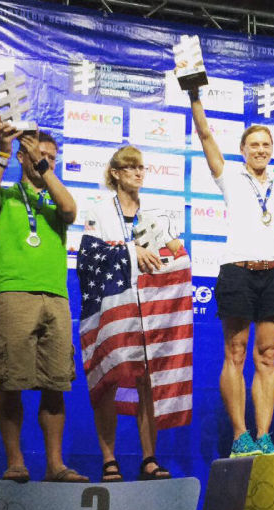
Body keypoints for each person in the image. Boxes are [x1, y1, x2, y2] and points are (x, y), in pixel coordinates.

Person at [0, 117, 88, 483]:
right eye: (40, 155)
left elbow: (71, 211)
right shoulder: (7, 196)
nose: (47, 161)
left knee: (56, 384)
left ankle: (55, 466)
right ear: (23, 157)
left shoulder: (55, 199)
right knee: (11, 382)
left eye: (52, 157)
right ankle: (16, 463)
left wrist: (44, 168)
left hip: (55, 297)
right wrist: (4, 154)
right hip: (12, 294)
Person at [187, 86, 274, 458]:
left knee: (267, 356)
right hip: (237, 272)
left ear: (271, 149)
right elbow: (205, 136)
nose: (260, 150)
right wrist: (195, 98)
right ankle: (240, 436)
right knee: (235, 353)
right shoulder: (229, 176)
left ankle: (264, 436)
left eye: (266, 145)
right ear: (243, 150)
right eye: (254, 145)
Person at [81, 145, 186, 481]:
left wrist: (174, 256)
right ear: (115, 173)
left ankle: (149, 457)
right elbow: (89, 256)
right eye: (131, 167)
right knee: (109, 377)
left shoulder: (155, 213)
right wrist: (131, 251)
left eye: (141, 167)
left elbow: (178, 252)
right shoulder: (99, 211)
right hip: (114, 307)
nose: (138, 173)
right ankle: (109, 459)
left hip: (149, 309)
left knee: (147, 381)